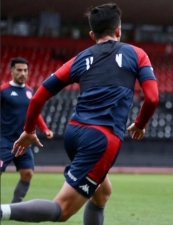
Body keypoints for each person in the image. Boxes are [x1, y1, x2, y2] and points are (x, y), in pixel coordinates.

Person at [1, 3, 159, 224]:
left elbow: (37, 97)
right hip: (101, 138)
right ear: (119, 30)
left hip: (74, 133)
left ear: (92, 34)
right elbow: (152, 98)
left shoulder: (80, 59)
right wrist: (141, 124)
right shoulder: (136, 54)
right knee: (62, 210)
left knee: (102, 193)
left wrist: (29, 130)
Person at [0, 57, 54, 203]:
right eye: (19, 70)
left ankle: (14, 206)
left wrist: (45, 128)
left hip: (23, 140)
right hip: (4, 140)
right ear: (11, 71)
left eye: (25, 70)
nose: (23, 73)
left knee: (28, 173)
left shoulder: (30, 92)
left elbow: (35, 114)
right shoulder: (3, 91)